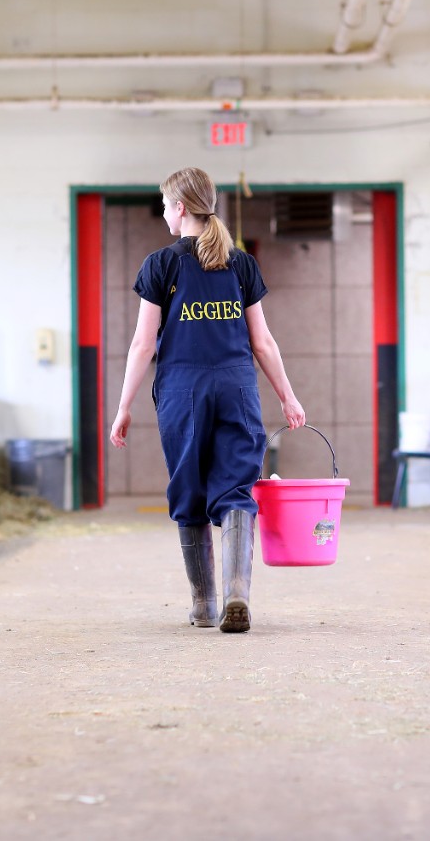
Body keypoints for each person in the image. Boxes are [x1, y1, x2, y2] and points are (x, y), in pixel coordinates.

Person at [110, 167, 306, 633]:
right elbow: (263, 343)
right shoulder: (240, 264)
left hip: (182, 390)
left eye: (164, 205)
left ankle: (203, 602)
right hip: (237, 388)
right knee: (237, 489)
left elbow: (142, 344)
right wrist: (288, 396)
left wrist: (123, 406)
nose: (163, 213)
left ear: (180, 208)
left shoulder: (161, 264)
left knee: (190, 489)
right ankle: (238, 591)